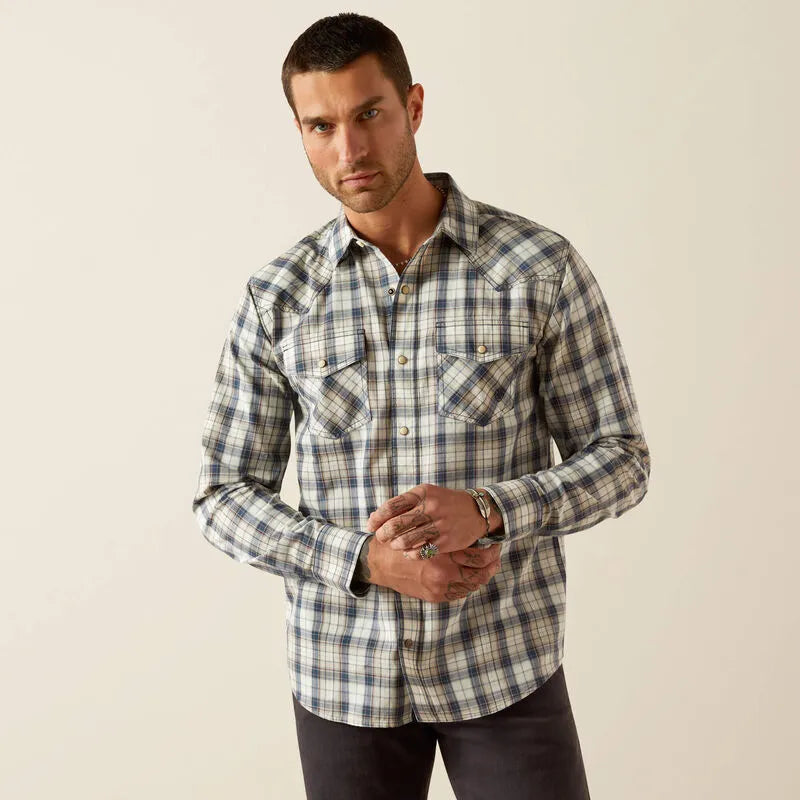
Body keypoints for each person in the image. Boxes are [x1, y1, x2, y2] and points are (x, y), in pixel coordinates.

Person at [191, 12, 650, 800]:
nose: (350, 149)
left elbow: (621, 459)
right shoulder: (279, 298)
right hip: (344, 679)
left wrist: (491, 510)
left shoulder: (536, 268)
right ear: (300, 132)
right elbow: (222, 496)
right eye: (321, 125)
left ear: (414, 106)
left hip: (505, 667)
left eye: (369, 114)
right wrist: (363, 560)